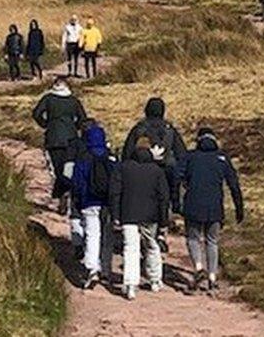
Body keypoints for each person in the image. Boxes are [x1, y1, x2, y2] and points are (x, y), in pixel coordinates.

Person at [176, 127, 244, 292]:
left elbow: (176, 177)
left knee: (193, 238)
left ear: (198, 140)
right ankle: (213, 278)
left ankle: (199, 268)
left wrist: (175, 202)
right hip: (215, 207)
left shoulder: (190, 157)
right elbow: (233, 184)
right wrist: (239, 208)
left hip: (193, 204)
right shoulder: (222, 158)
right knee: (212, 241)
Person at [110, 136, 170, 300]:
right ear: (150, 150)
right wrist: (164, 221)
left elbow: (115, 193)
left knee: (130, 248)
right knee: (152, 245)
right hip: (151, 216)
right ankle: (155, 279)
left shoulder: (123, 168)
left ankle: (130, 284)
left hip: (128, 213)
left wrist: (115, 215)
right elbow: (163, 197)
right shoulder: (157, 171)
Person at [122, 97, 187, 216]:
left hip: (143, 170)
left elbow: (127, 153)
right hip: (167, 171)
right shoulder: (169, 129)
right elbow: (181, 153)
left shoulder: (139, 129)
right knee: (165, 198)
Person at [71, 120, 117, 289]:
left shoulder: (83, 159)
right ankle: (106, 268)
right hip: (107, 202)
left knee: (92, 234)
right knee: (107, 235)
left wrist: (78, 200)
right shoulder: (110, 159)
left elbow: (77, 183)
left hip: (89, 202)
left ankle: (92, 269)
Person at [32, 77, 88, 206]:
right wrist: (75, 126)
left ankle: (61, 193)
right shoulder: (73, 101)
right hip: (71, 137)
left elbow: (36, 113)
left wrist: (45, 124)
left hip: (53, 137)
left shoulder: (48, 99)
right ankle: (65, 191)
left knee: (57, 168)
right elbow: (83, 118)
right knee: (68, 167)